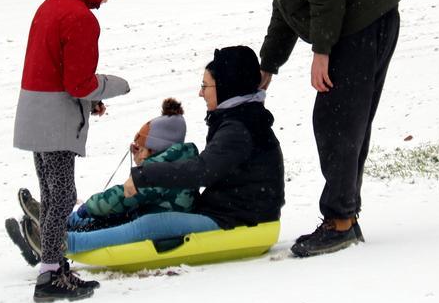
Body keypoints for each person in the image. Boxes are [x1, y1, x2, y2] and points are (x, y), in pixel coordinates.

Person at [201, 0, 403, 258]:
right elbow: (288, 3)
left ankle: (340, 222)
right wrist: (270, 62)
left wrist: (322, 50)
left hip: (362, 21)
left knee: (338, 120)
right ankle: (345, 215)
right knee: (345, 119)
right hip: (358, 19)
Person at [25, 46, 284, 257]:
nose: (200, 92)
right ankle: (65, 226)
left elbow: (202, 171)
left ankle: (62, 244)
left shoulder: (239, 127)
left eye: (206, 86)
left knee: (154, 224)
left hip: (241, 217)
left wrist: (144, 175)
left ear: (227, 86)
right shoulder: (237, 117)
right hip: (226, 208)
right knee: (142, 209)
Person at [9, 0, 131, 303]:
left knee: (51, 194)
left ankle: (54, 266)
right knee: (62, 197)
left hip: (34, 112)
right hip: (55, 121)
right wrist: (112, 87)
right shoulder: (80, 18)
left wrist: (87, 100)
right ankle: (49, 275)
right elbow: (79, 82)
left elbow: (55, 69)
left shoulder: (50, 6)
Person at [13, 98, 198, 243]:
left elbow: (122, 196)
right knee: (108, 217)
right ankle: (57, 223)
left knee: (103, 223)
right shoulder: (173, 162)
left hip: (153, 224)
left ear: (156, 150)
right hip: (145, 212)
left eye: (139, 149)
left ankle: (55, 239)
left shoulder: (162, 170)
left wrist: (90, 207)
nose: (135, 154)